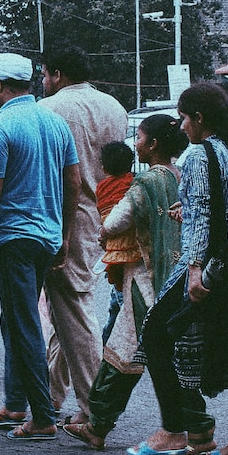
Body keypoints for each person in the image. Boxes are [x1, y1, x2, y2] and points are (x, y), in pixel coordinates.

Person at [128, 83, 228, 455]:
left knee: (155, 333)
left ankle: (175, 428)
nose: (181, 126)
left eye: (185, 117)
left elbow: (202, 216)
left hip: (210, 266)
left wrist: (194, 269)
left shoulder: (200, 156)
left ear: (199, 118)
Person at [64, 113, 187, 450]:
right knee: (151, 351)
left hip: (144, 278)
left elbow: (117, 220)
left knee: (125, 351)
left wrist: (103, 233)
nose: (137, 145)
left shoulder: (145, 183)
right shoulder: (180, 176)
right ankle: (101, 423)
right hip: (176, 278)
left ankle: (100, 422)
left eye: (141, 138)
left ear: (153, 144)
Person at [0, 52, 80, 440]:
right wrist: (66, 234)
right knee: (15, 319)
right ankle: (16, 401)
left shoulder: (0, 126)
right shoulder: (56, 124)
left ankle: (41, 415)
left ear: (0, 85)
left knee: (23, 324)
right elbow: (72, 182)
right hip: (47, 236)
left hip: (14, 238)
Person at [38, 45, 127, 424]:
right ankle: (53, 394)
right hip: (104, 212)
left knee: (74, 308)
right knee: (64, 306)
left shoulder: (50, 110)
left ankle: (95, 406)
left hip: (65, 217)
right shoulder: (115, 108)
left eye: (45, 74)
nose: (43, 82)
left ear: (56, 74)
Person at [97, 140, 136, 341]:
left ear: (103, 167)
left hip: (113, 251)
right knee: (121, 302)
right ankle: (108, 345)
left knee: (120, 302)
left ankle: (108, 345)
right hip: (132, 249)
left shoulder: (102, 188)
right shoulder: (134, 184)